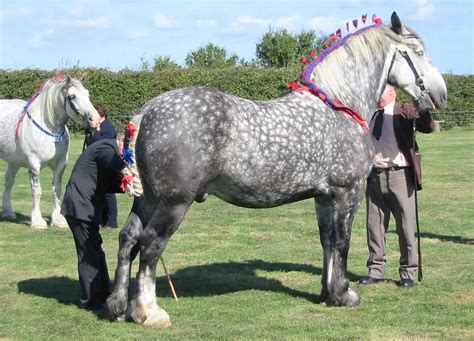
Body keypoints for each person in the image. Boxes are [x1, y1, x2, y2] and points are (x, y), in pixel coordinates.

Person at [359, 84, 435, 288]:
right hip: (374, 175)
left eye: (381, 90)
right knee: (374, 226)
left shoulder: (405, 110)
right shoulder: (371, 113)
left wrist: (424, 107)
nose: (376, 94)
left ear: (391, 92)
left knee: (406, 226)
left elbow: (426, 126)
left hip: (400, 175)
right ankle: (375, 271)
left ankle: (408, 273)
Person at [61, 137, 125, 309]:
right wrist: (132, 173)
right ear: (121, 141)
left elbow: (114, 183)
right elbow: (115, 166)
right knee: (88, 254)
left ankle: (104, 295)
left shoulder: (108, 150)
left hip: (85, 208)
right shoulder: (106, 147)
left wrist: (133, 185)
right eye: (125, 152)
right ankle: (90, 301)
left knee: (95, 252)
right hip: (79, 207)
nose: (124, 157)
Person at [85, 104, 119, 230]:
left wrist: (96, 131)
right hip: (96, 164)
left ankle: (111, 222)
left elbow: (101, 144)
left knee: (108, 194)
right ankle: (101, 220)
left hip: (106, 164)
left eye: (95, 114)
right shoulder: (96, 127)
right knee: (99, 193)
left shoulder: (108, 128)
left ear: (102, 115)